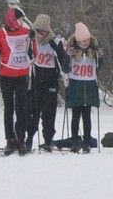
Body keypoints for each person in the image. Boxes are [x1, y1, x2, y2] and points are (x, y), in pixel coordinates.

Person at [0, 7, 35, 155]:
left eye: (22, 19)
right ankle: (9, 139)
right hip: (6, 75)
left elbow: (33, 52)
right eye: (19, 19)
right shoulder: (1, 33)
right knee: (8, 108)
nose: (21, 22)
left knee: (21, 108)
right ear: (12, 19)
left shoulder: (26, 33)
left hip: (22, 74)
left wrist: (33, 40)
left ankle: (21, 139)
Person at [30, 13, 68, 151]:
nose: (41, 34)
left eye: (43, 31)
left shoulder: (55, 41)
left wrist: (57, 49)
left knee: (49, 111)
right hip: (36, 78)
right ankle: (29, 137)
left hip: (51, 79)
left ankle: (48, 139)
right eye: (38, 31)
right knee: (33, 110)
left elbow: (63, 61)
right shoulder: (32, 40)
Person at [64, 22, 101, 152]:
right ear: (77, 40)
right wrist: (67, 55)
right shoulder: (72, 49)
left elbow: (99, 67)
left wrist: (100, 57)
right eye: (82, 40)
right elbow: (64, 68)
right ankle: (75, 141)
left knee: (87, 116)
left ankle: (86, 141)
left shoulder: (93, 49)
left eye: (87, 39)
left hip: (89, 85)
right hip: (76, 85)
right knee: (75, 115)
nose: (85, 42)